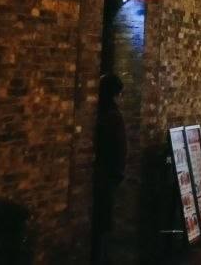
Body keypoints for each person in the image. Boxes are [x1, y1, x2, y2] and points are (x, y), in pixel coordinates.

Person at [92, 73, 127, 264]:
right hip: (107, 175)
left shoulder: (98, 112)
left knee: (99, 219)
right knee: (103, 220)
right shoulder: (114, 116)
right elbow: (120, 148)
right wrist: (118, 173)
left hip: (98, 173)